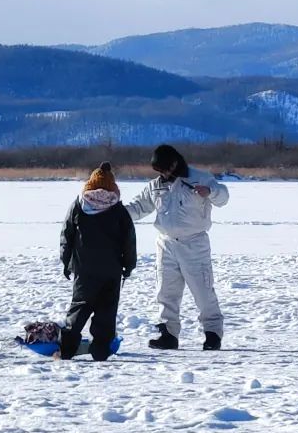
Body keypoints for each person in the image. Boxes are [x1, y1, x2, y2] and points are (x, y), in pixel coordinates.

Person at [126, 143, 229, 351]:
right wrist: (113, 213)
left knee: (203, 290)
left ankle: (212, 334)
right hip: (166, 244)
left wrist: (209, 192)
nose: (163, 174)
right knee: (166, 291)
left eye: (165, 169)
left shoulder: (200, 178)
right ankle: (168, 334)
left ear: (174, 163)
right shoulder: (155, 186)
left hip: (195, 244)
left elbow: (223, 196)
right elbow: (138, 207)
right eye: (159, 171)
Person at [59, 161, 136, 361]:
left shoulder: (78, 205)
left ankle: (67, 348)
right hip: (111, 271)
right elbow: (129, 240)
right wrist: (129, 265)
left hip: (84, 269)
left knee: (79, 307)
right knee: (106, 311)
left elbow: (67, 235)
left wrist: (66, 261)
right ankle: (100, 350)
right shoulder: (118, 210)